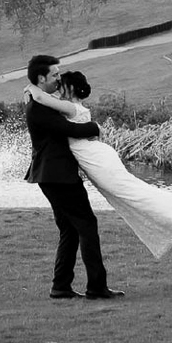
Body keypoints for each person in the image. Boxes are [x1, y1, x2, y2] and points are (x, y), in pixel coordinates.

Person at [25, 71, 172, 273]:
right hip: (98, 158)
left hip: (99, 161)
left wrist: (32, 87)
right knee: (137, 195)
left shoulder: (71, 107)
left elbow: (42, 98)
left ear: (71, 89)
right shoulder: (74, 108)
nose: (57, 89)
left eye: (61, 84)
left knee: (137, 197)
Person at [23, 54, 120, 300]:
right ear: (41, 78)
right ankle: (96, 287)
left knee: (70, 229)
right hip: (58, 176)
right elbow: (71, 130)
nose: (58, 78)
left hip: (53, 175)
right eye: (54, 75)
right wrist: (96, 128)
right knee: (87, 225)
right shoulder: (39, 108)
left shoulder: (42, 101)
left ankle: (61, 286)